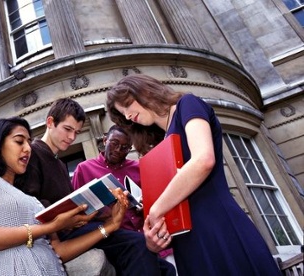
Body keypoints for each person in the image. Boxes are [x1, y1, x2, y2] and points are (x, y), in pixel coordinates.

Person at [106, 74, 282, 275]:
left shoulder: (187, 105)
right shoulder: (161, 142)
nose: (128, 116)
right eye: (123, 114)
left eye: (127, 106)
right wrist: (155, 239)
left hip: (218, 225)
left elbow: (203, 160)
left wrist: (156, 210)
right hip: (186, 243)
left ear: (145, 90)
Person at [16, 98, 174, 275]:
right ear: (50, 122)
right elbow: (29, 202)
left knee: (166, 268)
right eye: (67, 129)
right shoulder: (33, 153)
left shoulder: (59, 164)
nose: (71, 137)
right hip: (58, 234)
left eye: (76, 132)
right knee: (138, 244)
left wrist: (98, 213)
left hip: (77, 227)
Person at [0, 117, 129, 275]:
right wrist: (52, 226)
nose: (27, 148)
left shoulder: (32, 200)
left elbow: (58, 251)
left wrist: (110, 225)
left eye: (29, 142)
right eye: (19, 141)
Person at [72, 124, 176, 275]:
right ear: (105, 140)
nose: (118, 150)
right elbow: (78, 211)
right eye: (114, 144)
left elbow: (158, 199)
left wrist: (145, 204)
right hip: (122, 248)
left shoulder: (140, 167)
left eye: (125, 148)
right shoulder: (84, 169)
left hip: (153, 238)